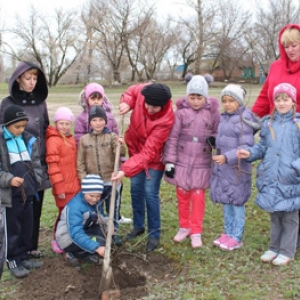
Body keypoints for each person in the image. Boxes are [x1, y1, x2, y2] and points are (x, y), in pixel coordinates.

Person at [237, 83, 300, 266]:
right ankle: (273, 247)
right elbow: (262, 147)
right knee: (275, 215)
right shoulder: (268, 124)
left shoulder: (298, 125)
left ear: (293, 101)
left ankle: (287, 251)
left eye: (285, 99)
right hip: (271, 177)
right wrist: (250, 153)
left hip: (291, 179)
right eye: (278, 100)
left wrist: (295, 168)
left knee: (290, 217)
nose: (281, 103)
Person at [251, 24, 300, 246]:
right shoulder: (275, 67)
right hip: (276, 129)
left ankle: (292, 237)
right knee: (284, 182)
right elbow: (264, 96)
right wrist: (251, 119)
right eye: (286, 46)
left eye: (295, 44)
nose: (291, 49)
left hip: (297, 131)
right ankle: (287, 237)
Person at [111, 82, 175, 253]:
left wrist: (124, 169)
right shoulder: (143, 92)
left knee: (149, 192)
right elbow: (130, 93)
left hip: (153, 158)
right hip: (134, 149)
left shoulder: (166, 119)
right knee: (136, 189)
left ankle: (154, 233)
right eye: (148, 104)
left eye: (156, 107)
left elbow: (148, 153)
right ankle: (138, 226)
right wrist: (127, 102)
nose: (151, 109)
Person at [0, 61, 50, 259]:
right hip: (16, 165)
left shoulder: (40, 103)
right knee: (16, 212)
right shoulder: (7, 104)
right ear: (18, 78)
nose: (32, 82)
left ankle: (31, 247)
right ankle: (14, 255)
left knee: (34, 209)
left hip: (37, 164)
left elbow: (46, 128)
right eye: (28, 78)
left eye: (35, 78)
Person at [163, 75, 220, 248]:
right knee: (182, 195)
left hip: (201, 163)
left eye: (199, 97)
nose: (195, 101)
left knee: (197, 197)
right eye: (192, 97)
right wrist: (169, 161)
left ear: (206, 97)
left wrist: (215, 140)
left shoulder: (212, 113)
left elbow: (219, 132)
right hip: (181, 162)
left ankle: (196, 230)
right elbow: (172, 138)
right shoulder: (180, 113)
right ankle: (184, 226)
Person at [210, 84, 261, 251]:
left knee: (237, 203)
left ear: (239, 101)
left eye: (231, 101)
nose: (227, 104)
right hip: (223, 169)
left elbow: (246, 146)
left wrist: (227, 157)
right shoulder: (224, 117)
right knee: (226, 202)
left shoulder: (243, 120)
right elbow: (222, 138)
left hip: (237, 170)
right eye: (224, 101)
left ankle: (237, 237)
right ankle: (228, 232)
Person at [75, 82, 131, 225]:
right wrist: (84, 179)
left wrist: (120, 164)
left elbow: (118, 146)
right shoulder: (82, 121)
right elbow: (80, 151)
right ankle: (100, 227)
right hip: (93, 175)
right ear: (87, 99)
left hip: (110, 174)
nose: (96, 101)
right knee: (96, 206)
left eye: (99, 98)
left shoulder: (110, 118)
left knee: (113, 201)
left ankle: (114, 224)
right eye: (92, 98)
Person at [0, 105, 43, 278]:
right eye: (17, 127)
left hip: (29, 192)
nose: (21, 130)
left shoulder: (28, 140)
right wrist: (9, 179)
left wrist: (36, 180)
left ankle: (24, 256)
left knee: (27, 226)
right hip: (11, 195)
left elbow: (36, 164)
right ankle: (13, 260)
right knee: (13, 228)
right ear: (7, 125)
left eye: (23, 126)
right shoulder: (2, 143)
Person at [77, 106, 125, 246]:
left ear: (106, 121)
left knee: (113, 208)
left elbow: (120, 154)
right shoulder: (84, 140)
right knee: (98, 209)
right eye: (94, 120)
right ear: (90, 123)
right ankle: (103, 232)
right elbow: (80, 162)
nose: (98, 123)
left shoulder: (111, 137)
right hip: (94, 183)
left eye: (101, 120)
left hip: (110, 180)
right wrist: (84, 181)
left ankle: (113, 231)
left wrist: (121, 145)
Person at [46, 107, 81, 254]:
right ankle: (56, 238)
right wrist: (59, 187)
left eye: (67, 123)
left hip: (74, 185)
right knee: (63, 214)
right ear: (56, 123)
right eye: (61, 123)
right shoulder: (53, 140)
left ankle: (71, 237)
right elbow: (53, 166)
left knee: (73, 214)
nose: (64, 127)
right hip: (63, 187)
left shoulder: (71, 139)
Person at [56, 174, 107, 268]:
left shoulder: (93, 201)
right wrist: (97, 248)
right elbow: (76, 234)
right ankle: (74, 253)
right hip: (68, 238)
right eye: (91, 195)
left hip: (84, 229)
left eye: (98, 196)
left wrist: (108, 222)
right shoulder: (75, 207)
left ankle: (87, 251)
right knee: (99, 242)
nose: (95, 199)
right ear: (84, 191)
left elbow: (100, 216)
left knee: (105, 231)